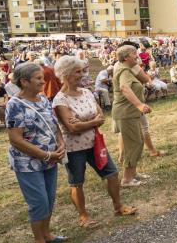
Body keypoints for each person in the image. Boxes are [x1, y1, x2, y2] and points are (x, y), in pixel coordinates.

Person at [53, 56, 137, 229]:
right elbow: (71, 127)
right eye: (78, 71)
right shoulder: (60, 100)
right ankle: (83, 216)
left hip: (95, 143)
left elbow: (100, 116)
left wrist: (84, 122)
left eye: (82, 71)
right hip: (74, 148)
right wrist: (92, 122)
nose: (82, 75)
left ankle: (118, 207)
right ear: (66, 74)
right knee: (77, 182)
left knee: (112, 174)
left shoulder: (86, 92)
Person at [5, 62, 67, 243]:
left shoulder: (42, 99)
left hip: (51, 158)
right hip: (28, 163)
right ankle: (38, 241)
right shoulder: (14, 105)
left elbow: (53, 124)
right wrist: (45, 154)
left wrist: (60, 142)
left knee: (49, 198)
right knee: (38, 201)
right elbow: (15, 139)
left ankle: (47, 234)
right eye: (38, 78)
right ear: (24, 81)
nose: (43, 81)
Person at [112, 45, 152, 187]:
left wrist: (136, 65)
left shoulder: (128, 69)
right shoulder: (123, 70)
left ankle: (133, 173)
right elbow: (124, 88)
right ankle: (127, 179)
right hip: (126, 113)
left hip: (130, 113)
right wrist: (139, 105)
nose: (138, 55)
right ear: (126, 57)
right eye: (134, 53)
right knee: (133, 143)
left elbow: (146, 79)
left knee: (138, 141)